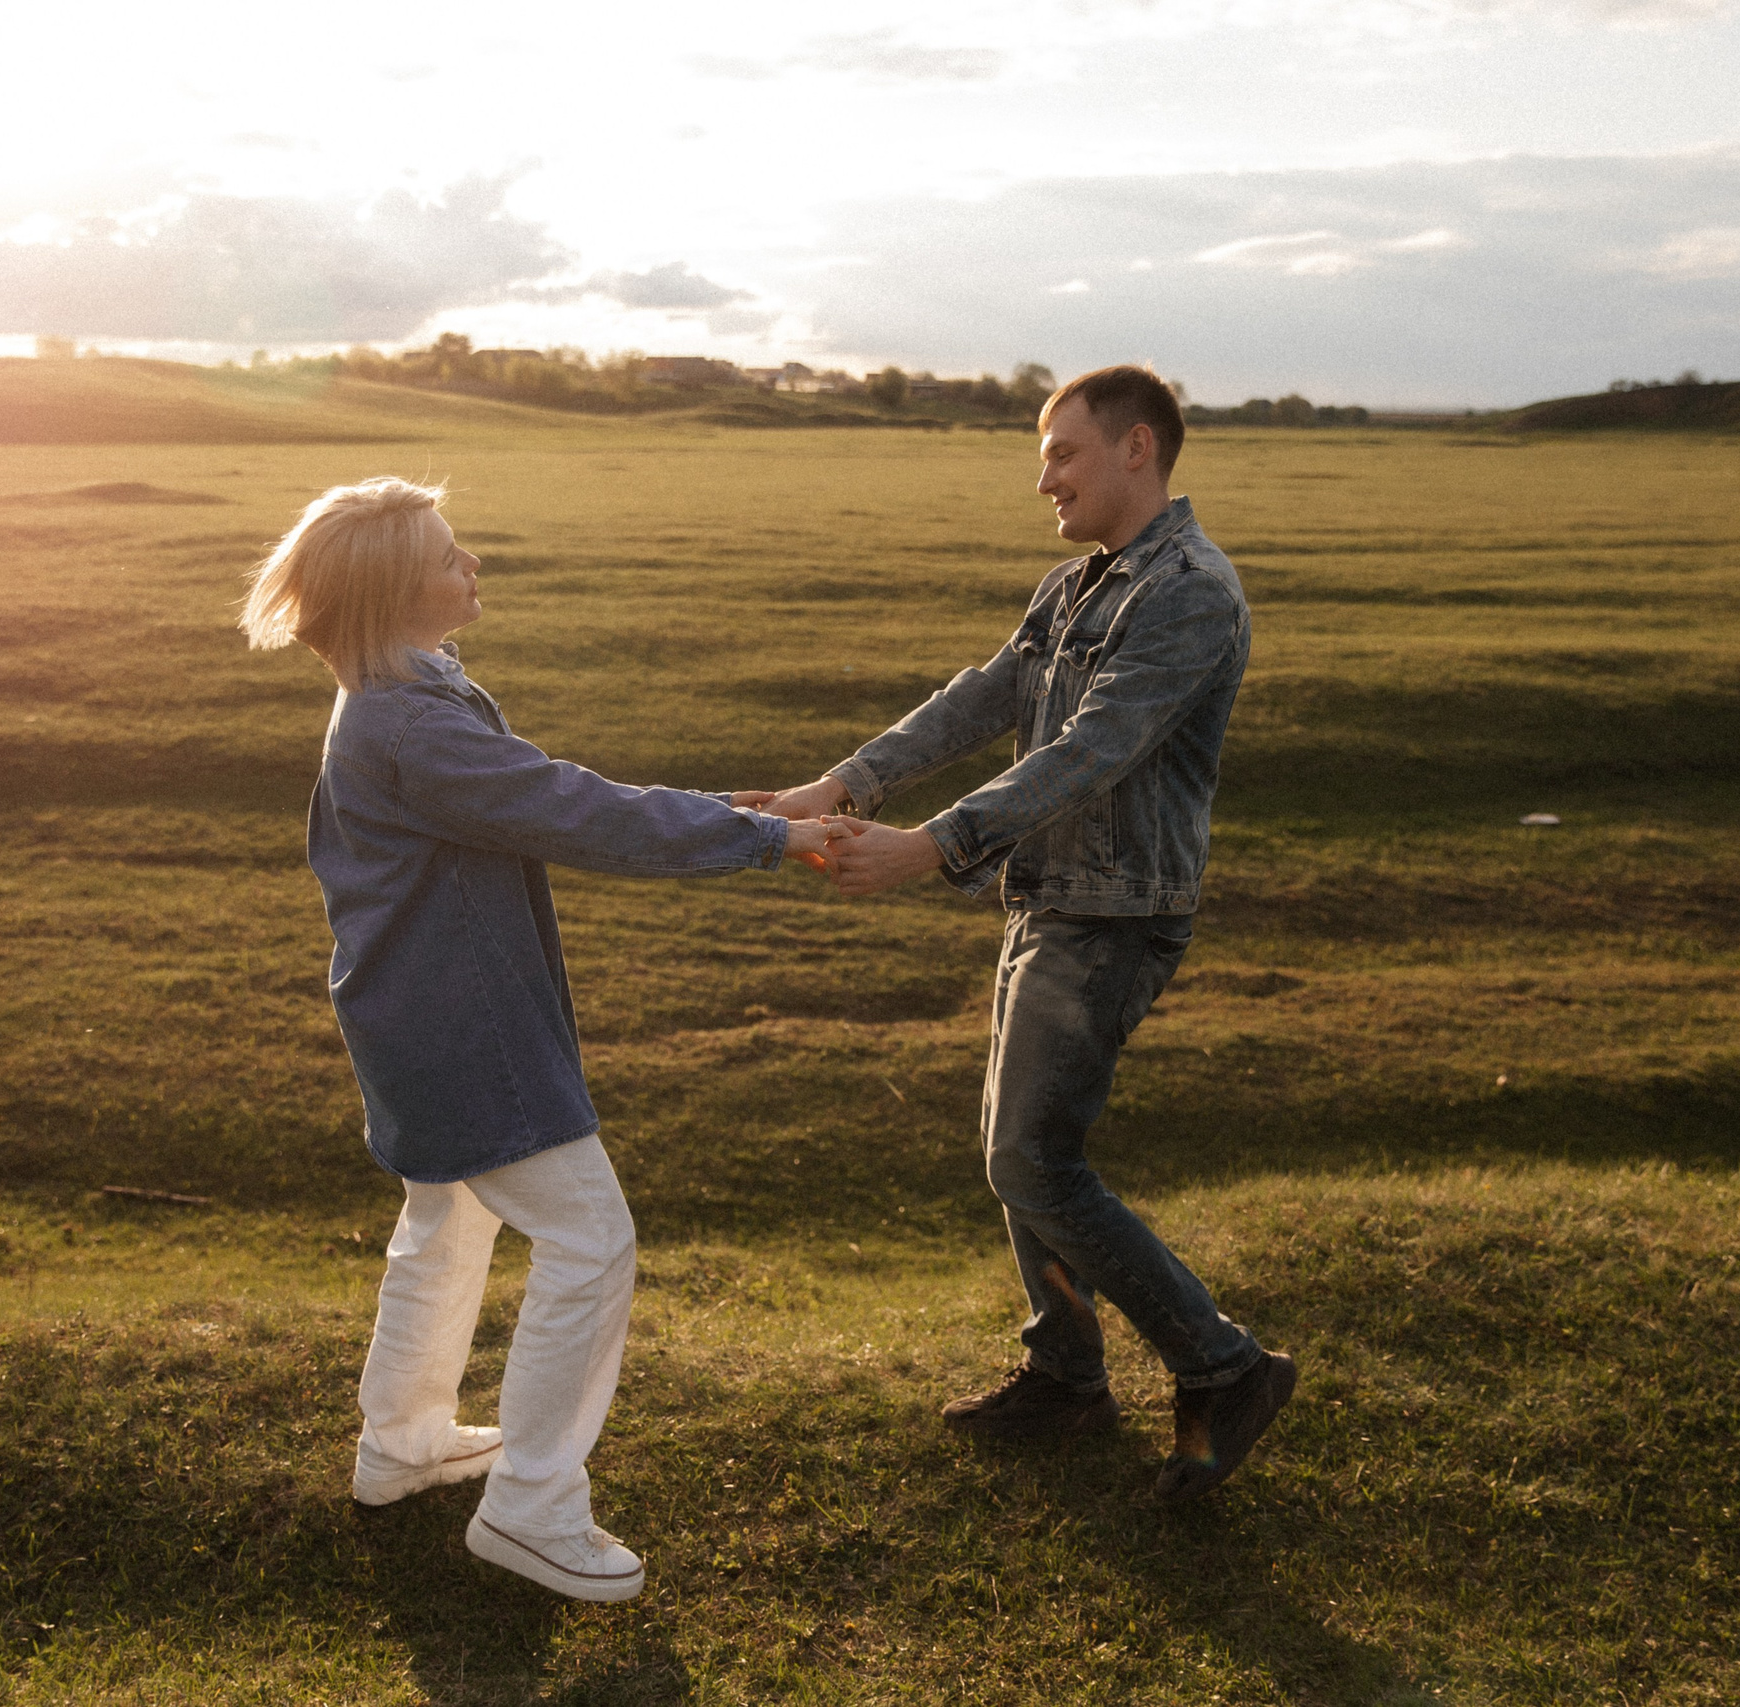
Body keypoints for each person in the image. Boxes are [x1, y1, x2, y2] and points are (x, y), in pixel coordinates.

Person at [241, 476, 834, 1599]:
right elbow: (576, 810)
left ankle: (402, 1443)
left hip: (414, 1017)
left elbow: (547, 796)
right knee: (591, 1241)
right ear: (388, 591)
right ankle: (531, 1508)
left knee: (447, 1222)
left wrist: (738, 815)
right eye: (450, 556)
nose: (473, 568)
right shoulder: (410, 723)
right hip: (467, 1029)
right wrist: (762, 839)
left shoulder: (402, 697)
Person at [771, 365, 1295, 1503]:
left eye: (1062, 453)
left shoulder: (1191, 591)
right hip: (1048, 899)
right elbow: (985, 696)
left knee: (1031, 1159)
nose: (1045, 479)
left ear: (1136, 449)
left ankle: (1223, 1365)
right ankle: (1065, 1375)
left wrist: (929, 845)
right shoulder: (1075, 586)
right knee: (1025, 1161)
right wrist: (844, 784)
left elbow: (1093, 750)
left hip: (1113, 915)